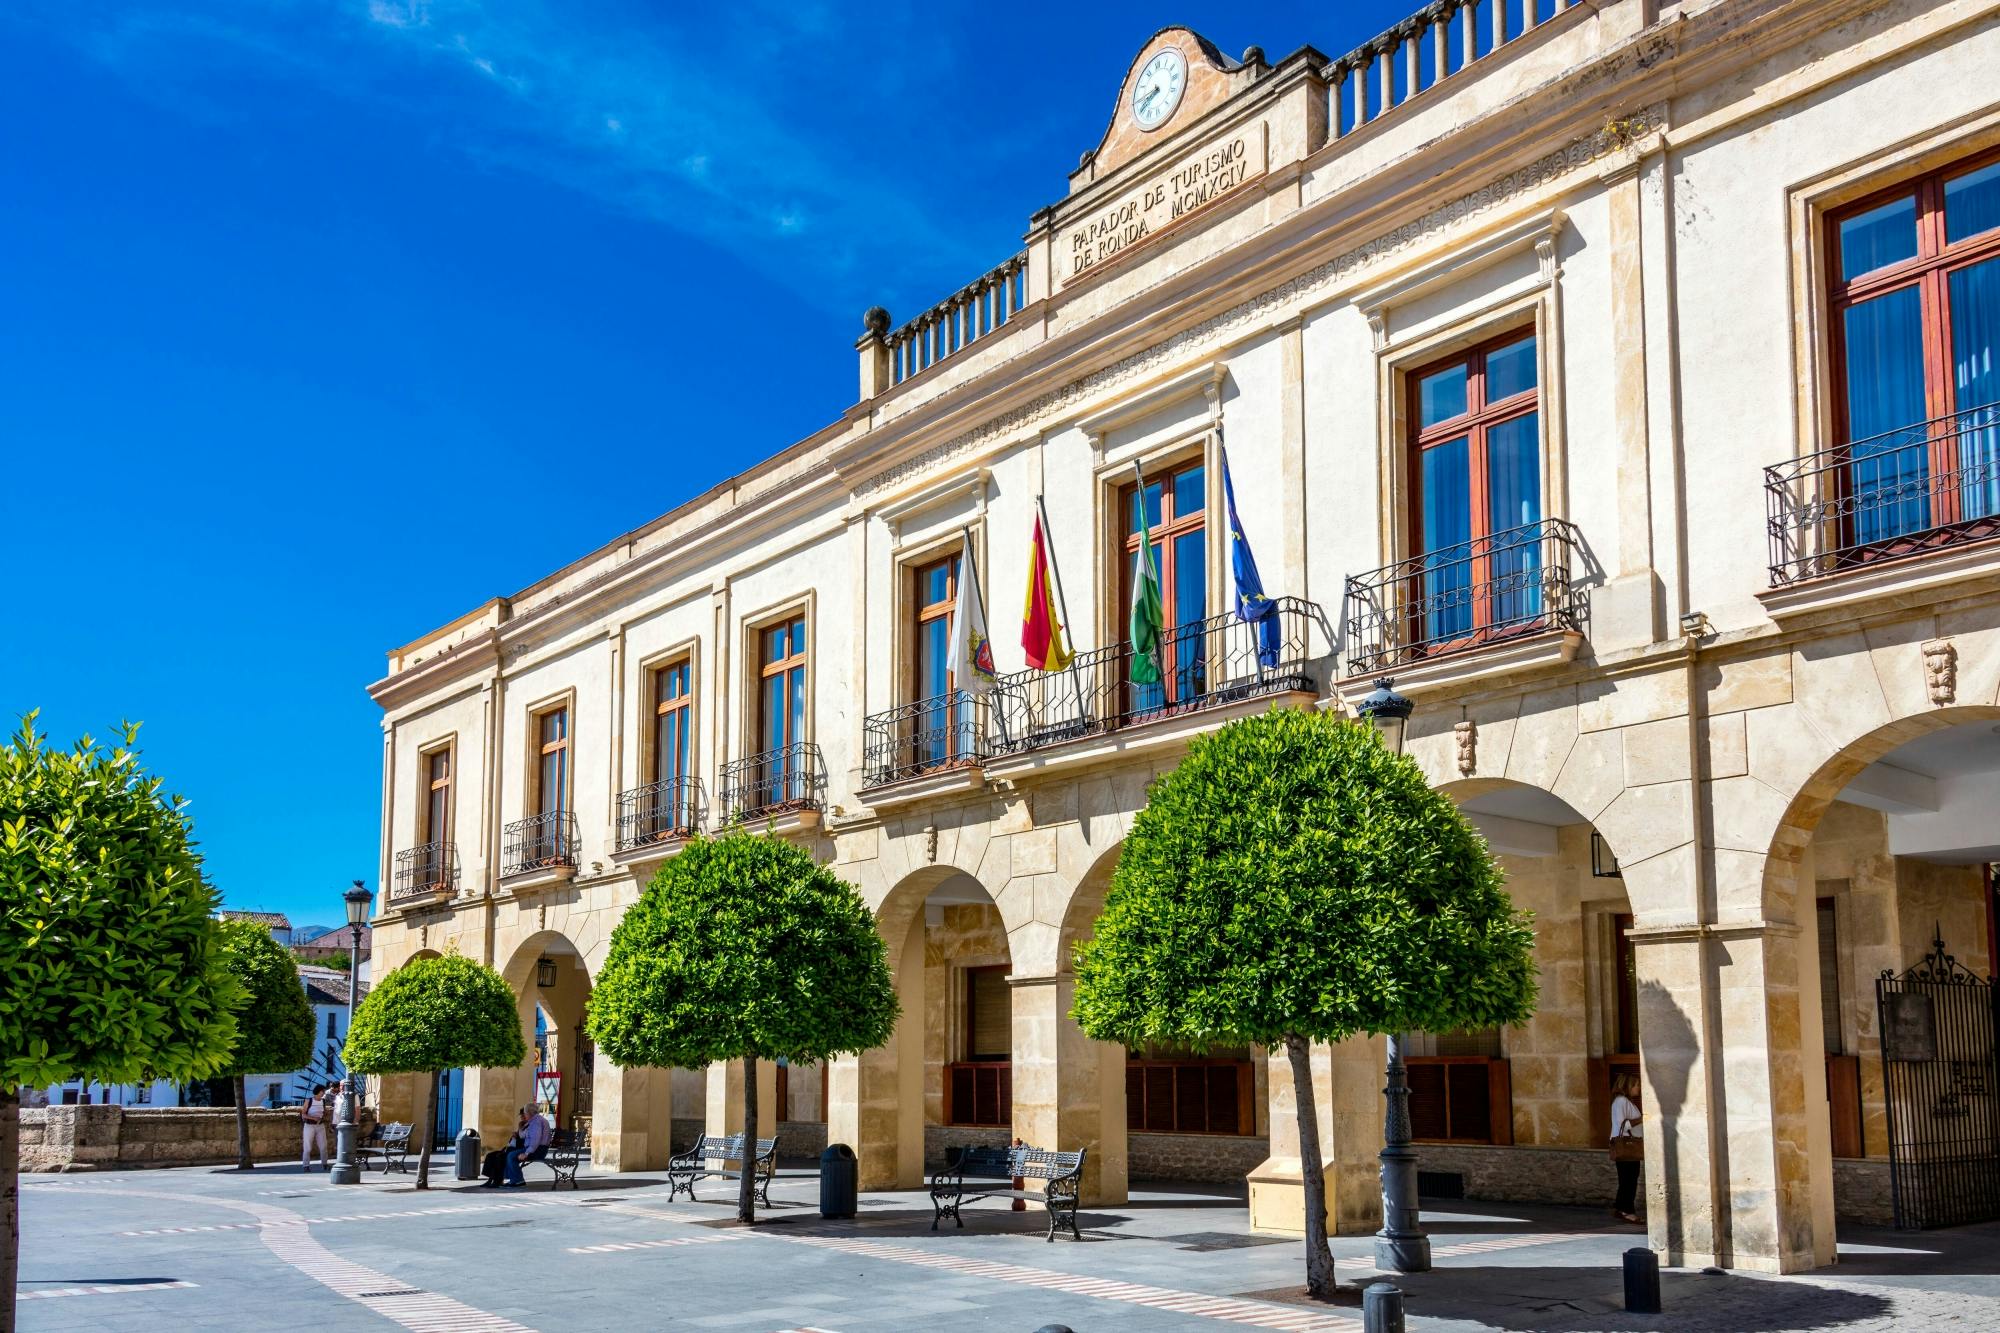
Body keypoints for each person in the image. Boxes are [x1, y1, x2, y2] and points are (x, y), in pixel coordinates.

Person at [1609, 1070, 1643, 1223]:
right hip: (1626, 1145)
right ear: (1627, 1086)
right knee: (1629, 1179)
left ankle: (1620, 1207)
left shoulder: (1625, 1101)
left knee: (1627, 1179)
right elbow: (1622, 1124)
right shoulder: (1621, 1101)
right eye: (1635, 1085)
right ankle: (1627, 1211)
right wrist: (1642, 1119)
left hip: (1629, 1145)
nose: (1638, 1088)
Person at [503, 1105, 552, 1187]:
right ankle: (513, 1179)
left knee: (511, 1156)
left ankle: (517, 1180)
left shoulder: (536, 1122)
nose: (524, 1115)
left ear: (529, 1113)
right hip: (537, 1149)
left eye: (525, 1113)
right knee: (510, 1152)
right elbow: (526, 1136)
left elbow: (535, 1140)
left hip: (538, 1150)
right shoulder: (535, 1120)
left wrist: (526, 1153)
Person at [482, 1109, 527, 1188]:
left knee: (499, 1157)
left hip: (519, 1148)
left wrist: (517, 1136)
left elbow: (525, 1140)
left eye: (523, 1115)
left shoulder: (530, 1125)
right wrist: (515, 1136)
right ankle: (490, 1179)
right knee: (490, 1155)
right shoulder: (521, 1124)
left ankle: (498, 1180)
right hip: (511, 1147)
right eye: (521, 1115)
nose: (522, 1117)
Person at [301, 1083, 330, 1172]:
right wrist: (313, 1118)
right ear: (318, 1091)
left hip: (320, 1125)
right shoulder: (309, 1100)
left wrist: (324, 1116)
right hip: (309, 1125)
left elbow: (324, 1112)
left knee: (323, 1146)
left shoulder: (323, 1101)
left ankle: (325, 1164)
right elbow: (303, 1114)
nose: (324, 1093)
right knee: (307, 1146)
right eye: (322, 1091)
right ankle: (306, 1165)